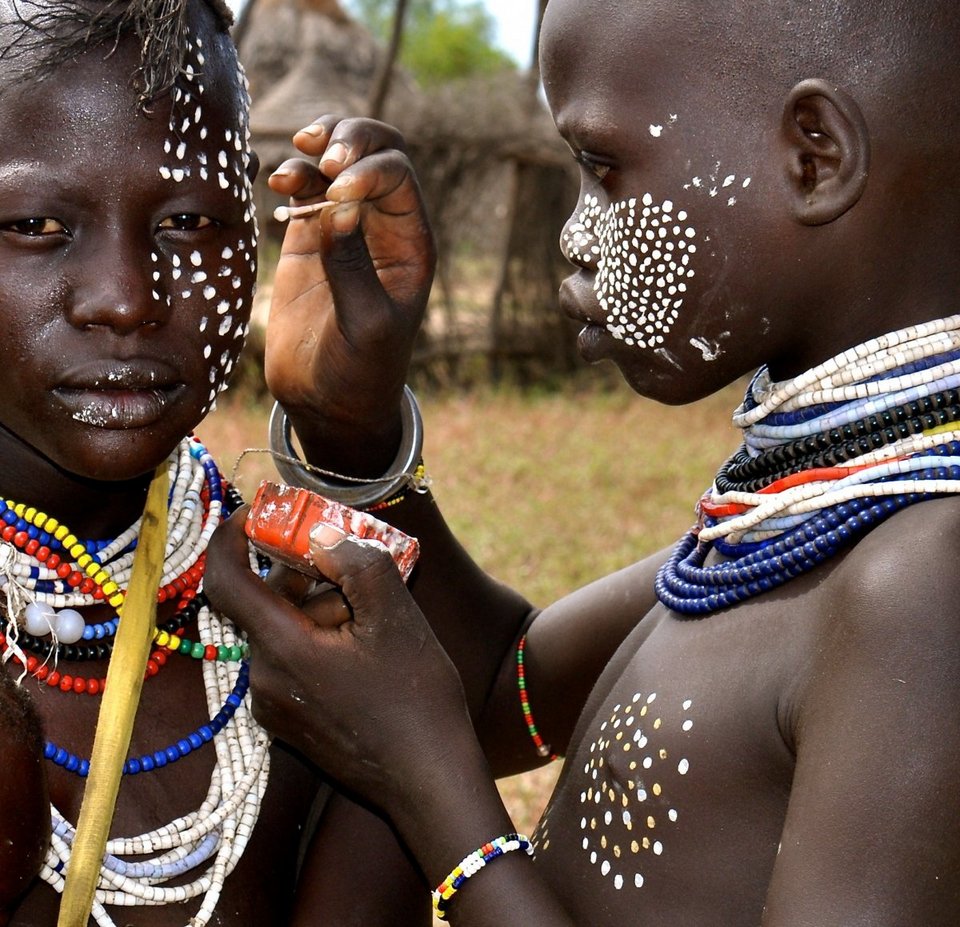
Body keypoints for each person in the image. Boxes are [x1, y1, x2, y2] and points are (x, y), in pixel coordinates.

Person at [205, 0, 960, 924]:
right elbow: (495, 692)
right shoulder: (792, 519)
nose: (573, 234)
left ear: (815, 159)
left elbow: (443, 741)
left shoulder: (923, 585)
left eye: (604, 172)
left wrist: (434, 806)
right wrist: (353, 427)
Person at [0, 0, 432, 923]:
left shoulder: (303, 625)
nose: (124, 300)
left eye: (189, 220)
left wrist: (350, 433)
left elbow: (512, 699)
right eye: (35, 223)